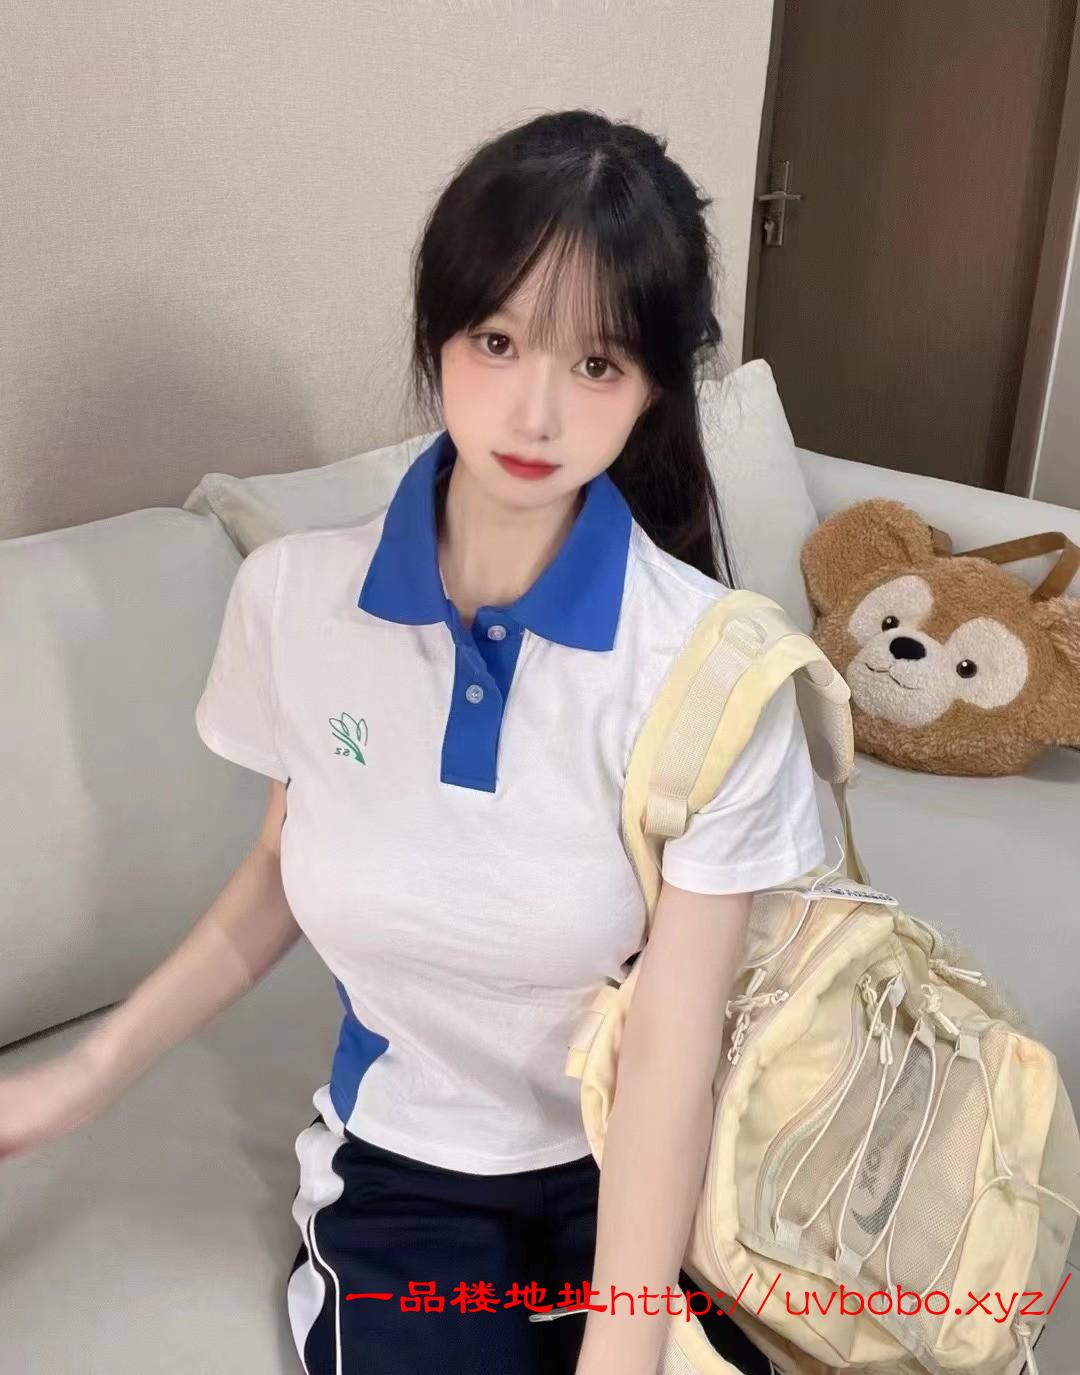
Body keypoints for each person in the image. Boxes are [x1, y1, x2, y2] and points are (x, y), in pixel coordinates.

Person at [0, 109, 826, 1375]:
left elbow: (674, 1049)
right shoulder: (295, 605)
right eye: (497, 340)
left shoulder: (714, 668)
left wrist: (625, 1348)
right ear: (438, 331)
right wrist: (82, 1076)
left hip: (645, 1168)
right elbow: (284, 868)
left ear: (656, 385)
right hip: (407, 1177)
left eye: (596, 363)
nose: (535, 411)